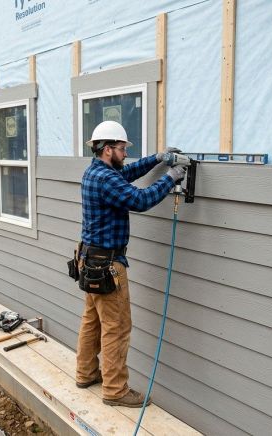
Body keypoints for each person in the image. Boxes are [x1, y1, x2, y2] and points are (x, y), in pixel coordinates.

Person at [74, 120, 186, 407]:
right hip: (108, 265)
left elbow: (129, 173)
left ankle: (85, 373)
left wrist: (158, 159)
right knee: (117, 327)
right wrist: (171, 177)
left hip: (90, 260)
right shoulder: (106, 179)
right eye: (123, 149)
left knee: (93, 321)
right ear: (108, 149)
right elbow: (140, 199)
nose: (125, 154)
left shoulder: (97, 171)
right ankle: (115, 390)